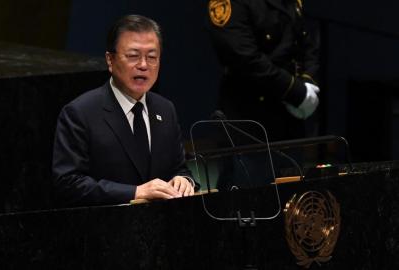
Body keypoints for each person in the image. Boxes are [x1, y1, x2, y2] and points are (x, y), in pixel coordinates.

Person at [52, 14, 197, 207]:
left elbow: (179, 168)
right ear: (110, 60)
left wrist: (184, 181)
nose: (144, 65)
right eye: (133, 56)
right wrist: (135, 192)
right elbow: (68, 183)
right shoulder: (80, 113)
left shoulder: (165, 109)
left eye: (152, 57)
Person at [207, 0, 320, 142]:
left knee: (293, 163)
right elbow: (243, 58)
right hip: (250, 121)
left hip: (290, 118)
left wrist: (309, 82)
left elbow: (306, 43)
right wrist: (297, 93)